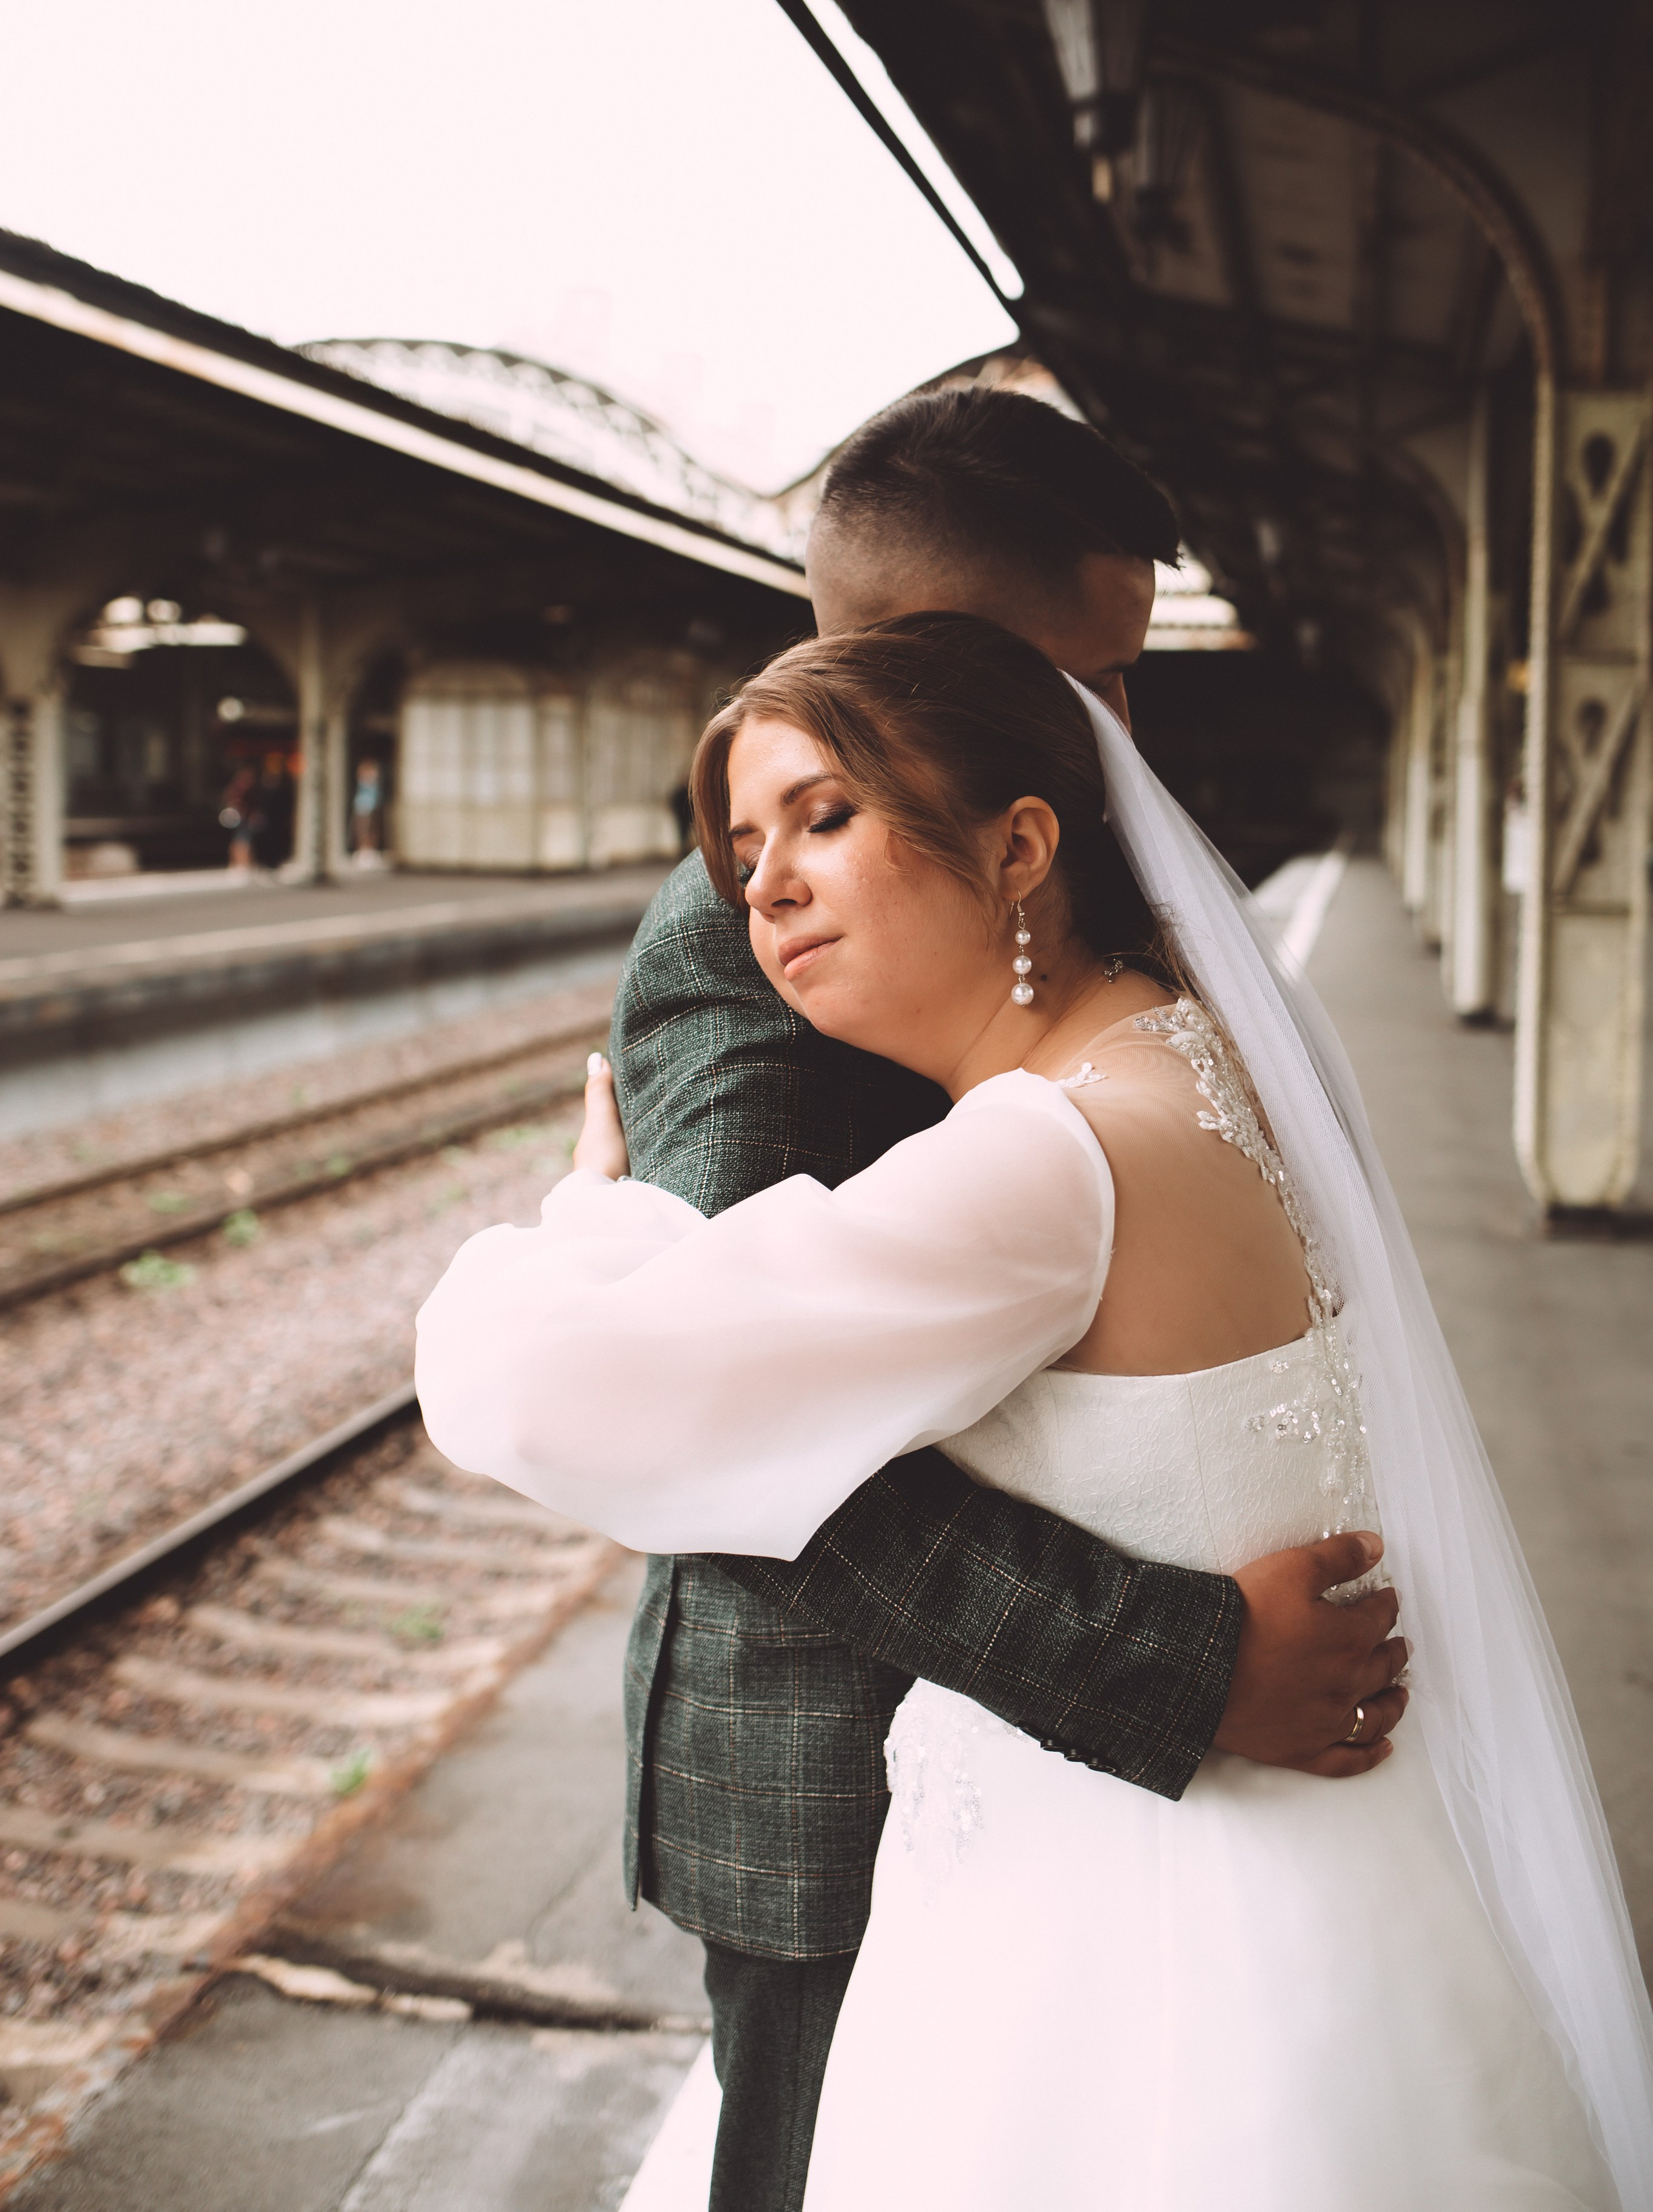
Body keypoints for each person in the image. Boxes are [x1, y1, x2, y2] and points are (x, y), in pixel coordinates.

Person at [419, 611, 1653, 2207]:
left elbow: (522, 1387)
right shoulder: (1186, 1050)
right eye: (740, 843)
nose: (761, 889)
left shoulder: (1037, 1160)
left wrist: (597, 1217)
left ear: (1017, 851)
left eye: (825, 816)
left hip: (1110, 1930)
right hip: (1313, 1887)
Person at [562, 393, 1401, 2212]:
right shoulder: (743, 946)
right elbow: (721, 1434)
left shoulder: (1065, 875)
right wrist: (1187, 1667)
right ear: (915, 659)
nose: (1123, 734)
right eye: (1089, 678)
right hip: (843, 1783)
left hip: (1043, 1798)